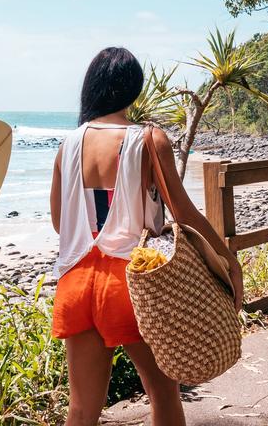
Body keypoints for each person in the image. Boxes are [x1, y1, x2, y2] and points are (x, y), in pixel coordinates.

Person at [49, 46, 245, 426]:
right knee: (161, 392)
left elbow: (60, 222)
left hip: (75, 284)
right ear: (133, 88)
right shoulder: (148, 139)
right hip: (133, 283)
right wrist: (227, 259)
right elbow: (183, 213)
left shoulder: (67, 145)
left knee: (82, 408)